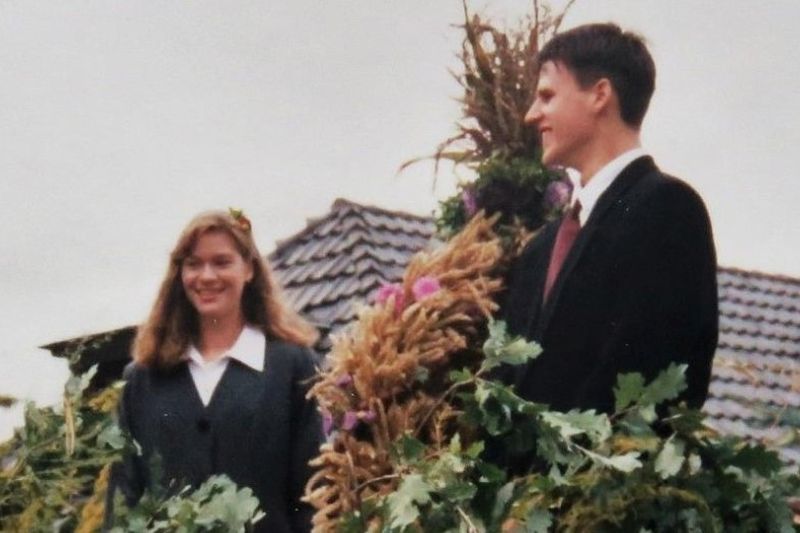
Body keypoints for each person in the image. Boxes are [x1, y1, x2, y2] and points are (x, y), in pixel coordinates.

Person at [501, 23, 718, 414]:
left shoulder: (668, 209)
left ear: (600, 95)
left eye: (547, 96)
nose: (532, 115)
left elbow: (662, 380)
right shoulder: (539, 249)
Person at [109, 209, 323, 533]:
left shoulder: (292, 367)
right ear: (180, 273)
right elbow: (123, 504)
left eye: (222, 262)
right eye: (193, 264)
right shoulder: (143, 380)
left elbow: (312, 496)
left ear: (249, 269)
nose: (207, 276)